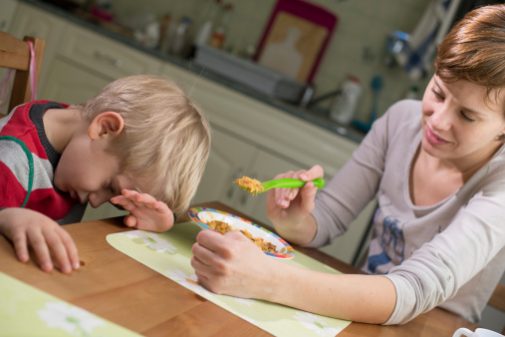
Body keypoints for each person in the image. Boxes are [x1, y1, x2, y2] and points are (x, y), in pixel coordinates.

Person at [190, 4, 505, 325]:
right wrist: (296, 220)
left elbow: (412, 292)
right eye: (438, 93)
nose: (437, 121)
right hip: (357, 314)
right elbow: (327, 219)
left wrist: (266, 280)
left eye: (466, 115)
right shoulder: (401, 121)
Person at [0, 74, 210, 274]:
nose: (96, 203)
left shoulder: (75, 134)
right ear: (104, 129)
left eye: (116, 201)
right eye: (110, 187)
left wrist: (144, 225)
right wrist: (6, 216)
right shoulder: (13, 160)